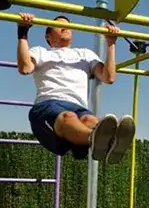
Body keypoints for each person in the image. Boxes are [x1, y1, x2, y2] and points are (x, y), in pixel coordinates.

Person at [16, 12, 135, 164]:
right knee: (68, 117)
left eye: (68, 25)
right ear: (49, 36)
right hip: (48, 105)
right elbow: (25, 68)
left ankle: (109, 142)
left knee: (90, 119)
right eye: (59, 25)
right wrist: (23, 32)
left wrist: (111, 43)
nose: (65, 27)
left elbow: (109, 77)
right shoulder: (40, 52)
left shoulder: (85, 54)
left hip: (79, 107)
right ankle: (96, 139)